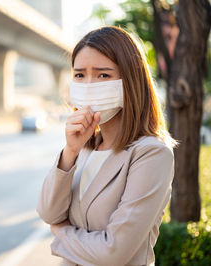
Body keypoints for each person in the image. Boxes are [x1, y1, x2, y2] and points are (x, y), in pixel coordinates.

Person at [37, 26, 176, 266]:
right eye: (80, 75)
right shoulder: (85, 145)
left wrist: (61, 232)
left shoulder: (152, 153)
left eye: (103, 75)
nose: (89, 85)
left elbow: (113, 252)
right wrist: (70, 152)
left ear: (130, 81)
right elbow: (49, 213)